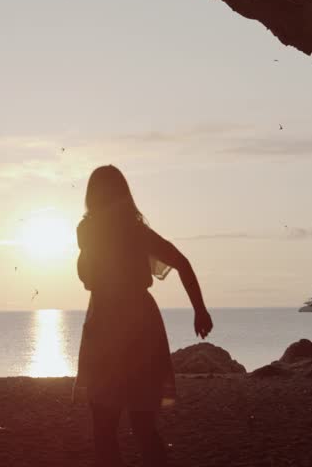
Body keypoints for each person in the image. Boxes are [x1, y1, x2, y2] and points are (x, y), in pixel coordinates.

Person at [74, 165, 213, 467]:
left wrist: (200, 310)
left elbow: (88, 276)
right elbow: (182, 263)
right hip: (138, 324)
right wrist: (199, 310)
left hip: (109, 324)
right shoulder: (134, 233)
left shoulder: (89, 232)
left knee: (106, 428)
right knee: (140, 426)